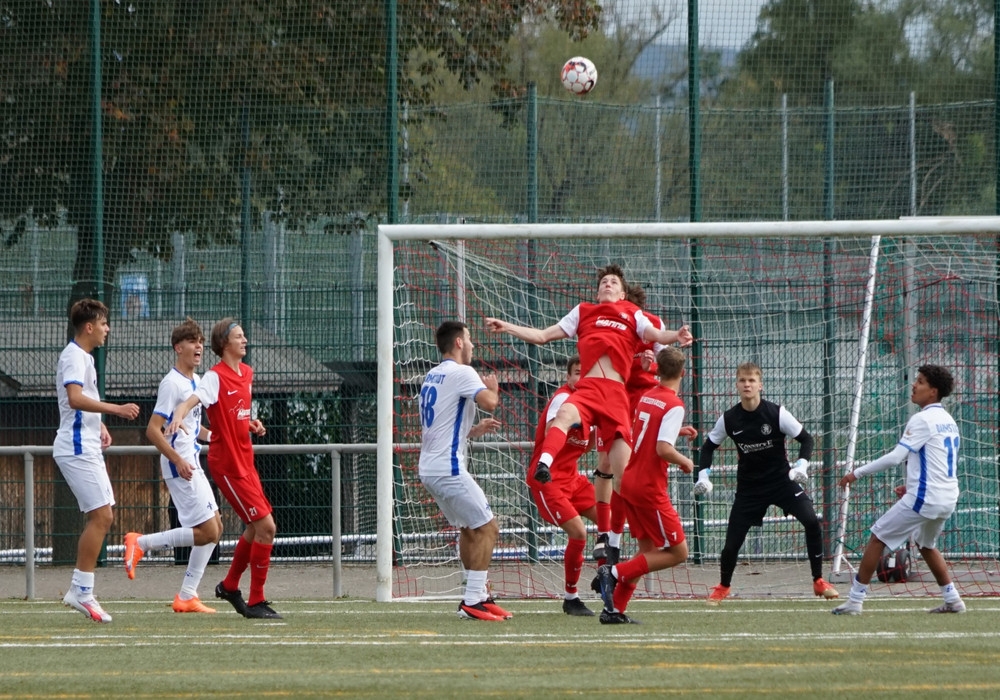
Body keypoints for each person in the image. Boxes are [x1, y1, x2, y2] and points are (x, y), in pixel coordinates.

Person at [485, 264, 692, 500]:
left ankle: (630, 531)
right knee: (563, 415)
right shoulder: (583, 311)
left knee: (622, 478)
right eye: (604, 282)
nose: (608, 284)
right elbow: (542, 336)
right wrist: (507, 326)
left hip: (615, 395)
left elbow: (655, 335)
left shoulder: (632, 313)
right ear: (597, 293)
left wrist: (676, 335)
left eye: (614, 282)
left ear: (623, 294)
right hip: (589, 389)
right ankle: (544, 464)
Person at [695, 361, 839, 605]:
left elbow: (806, 439)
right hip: (749, 490)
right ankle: (723, 586)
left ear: (760, 385)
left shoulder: (776, 413)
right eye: (742, 380)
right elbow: (708, 446)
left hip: (782, 482)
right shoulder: (729, 418)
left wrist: (801, 464)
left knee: (811, 521)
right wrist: (703, 475)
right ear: (737, 385)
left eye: (752, 380)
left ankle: (818, 581)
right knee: (731, 546)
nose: (747, 384)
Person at [166, 318, 279, 619]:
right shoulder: (214, 378)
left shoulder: (247, 373)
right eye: (239, 336)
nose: (245, 341)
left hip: (246, 459)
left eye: (244, 336)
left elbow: (239, 413)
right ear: (224, 344)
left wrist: (251, 424)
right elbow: (191, 401)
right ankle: (256, 600)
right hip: (227, 464)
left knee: (257, 528)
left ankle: (230, 585)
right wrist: (179, 412)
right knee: (266, 527)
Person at [832, 364, 964, 615]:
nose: (914, 385)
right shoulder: (948, 420)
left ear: (933, 392)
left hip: (926, 497)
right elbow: (938, 460)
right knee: (926, 545)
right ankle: (953, 599)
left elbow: (896, 457)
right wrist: (912, 484)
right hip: (946, 497)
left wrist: (856, 473)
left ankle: (855, 601)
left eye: (921, 381)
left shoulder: (922, 418)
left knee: (877, 537)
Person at [124, 318, 223, 613]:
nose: (199, 347)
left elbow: (194, 428)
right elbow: (153, 429)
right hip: (180, 465)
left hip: (191, 461)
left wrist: (217, 437)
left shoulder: (195, 382)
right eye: (193, 342)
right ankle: (141, 542)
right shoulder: (172, 383)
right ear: (178, 347)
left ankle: (187, 595)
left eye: (201, 342)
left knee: (215, 528)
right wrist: (177, 459)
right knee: (207, 531)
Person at [54, 298, 141, 623]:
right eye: (104, 323)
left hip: (86, 444)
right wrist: (116, 410)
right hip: (76, 448)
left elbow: (77, 400)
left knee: (104, 517)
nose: (108, 329)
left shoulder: (84, 358)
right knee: (102, 517)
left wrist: (100, 425)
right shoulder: (75, 355)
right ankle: (81, 590)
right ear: (89, 326)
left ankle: (81, 589)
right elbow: (75, 398)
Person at [418, 321, 508, 621]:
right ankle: (472, 601)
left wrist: (474, 430)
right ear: (458, 342)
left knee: (471, 528)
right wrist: (494, 389)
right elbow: (490, 403)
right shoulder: (462, 372)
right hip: (449, 467)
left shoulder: (432, 375)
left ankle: (479, 596)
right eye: (469, 339)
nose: (472, 345)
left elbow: (441, 427)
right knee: (489, 528)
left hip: (430, 467)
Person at [597, 347, 693, 624]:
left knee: (647, 552)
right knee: (678, 552)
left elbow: (645, 433)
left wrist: (678, 431)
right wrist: (684, 461)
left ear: (657, 371)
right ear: (682, 373)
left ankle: (613, 610)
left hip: (628, 480)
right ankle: (613, 573)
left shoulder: (648, 396)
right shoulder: (675, 405)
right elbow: (663, 448)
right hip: (649, 487)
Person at [527, 355, 600, 616]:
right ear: (568, 377)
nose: (582, 378)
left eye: (587, 373)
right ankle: (571, 598)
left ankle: (605, 575)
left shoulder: (596, 404)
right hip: (548, 480)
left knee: (610, 517)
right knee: (579, 533)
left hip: (573, 478)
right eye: (577, 373)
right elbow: (552, 431)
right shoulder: (563, 400)